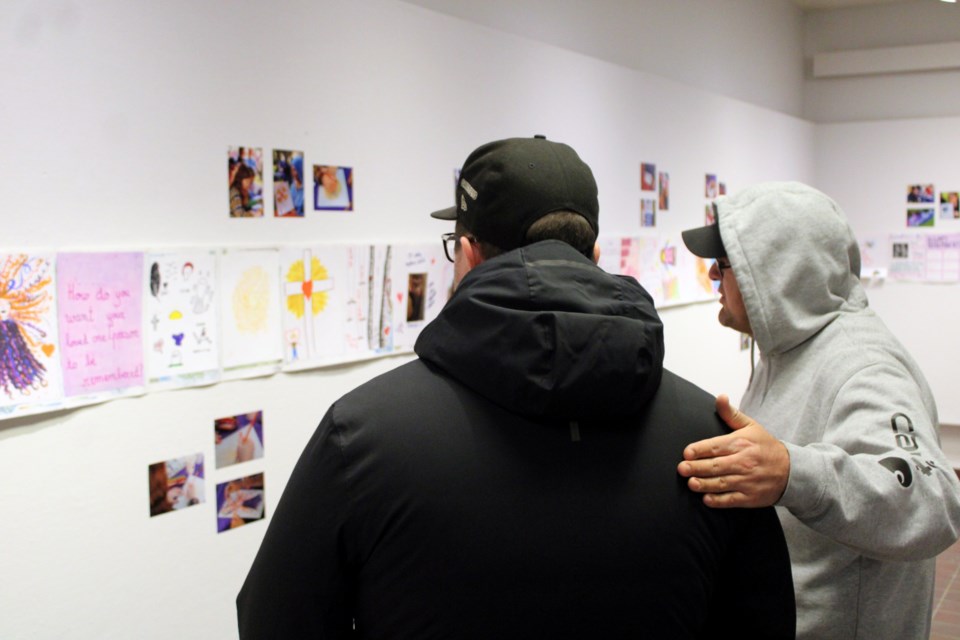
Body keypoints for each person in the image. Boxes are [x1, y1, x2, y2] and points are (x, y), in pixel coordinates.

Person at [237, 136, 795, 638]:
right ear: (595, 256)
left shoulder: (361, 435)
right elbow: (763, 617)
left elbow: (277, 617)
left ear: (471, 253)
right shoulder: (716, 445)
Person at [678, 181, 960, 640]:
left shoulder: (862, 365)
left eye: (725, 265)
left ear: (776, 273)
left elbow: (935, 501)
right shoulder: (787, 351)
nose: (713, 276)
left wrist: (794, 472)